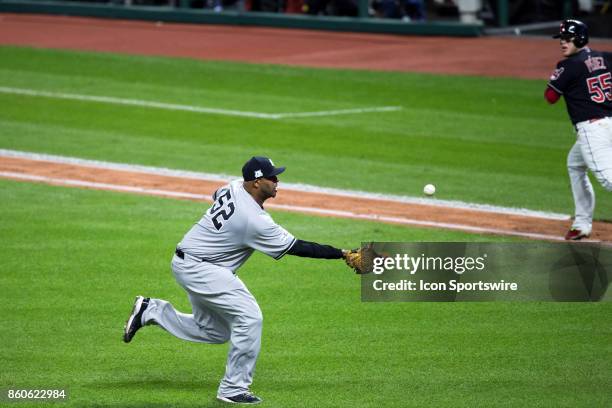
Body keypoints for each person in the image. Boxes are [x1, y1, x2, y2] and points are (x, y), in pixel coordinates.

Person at [123, 156, 352, 405]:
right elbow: (298, 247)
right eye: (271, 177)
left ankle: (150, 311)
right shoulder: (253, 220)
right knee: (250, 318)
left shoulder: (234, 186)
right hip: (203, 269)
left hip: (192, 262)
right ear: (255, 182)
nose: (277, 181)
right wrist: (341, 253)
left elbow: (216, 194)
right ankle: (233, 388)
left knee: (215, 331)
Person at [545, 19, 612, 240]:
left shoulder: (568, 66)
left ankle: (582, 223)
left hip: (593, 130)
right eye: (561, 39)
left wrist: (559, 77)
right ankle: (582, 223)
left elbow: (550, 97)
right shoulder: (605, 57)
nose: (563, 42)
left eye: (567, 38)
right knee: (575, 164)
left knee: (607, 179)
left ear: (580, 38)